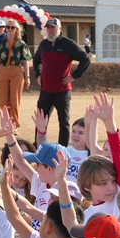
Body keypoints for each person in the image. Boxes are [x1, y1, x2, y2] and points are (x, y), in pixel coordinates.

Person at [33, 17, 90, 146]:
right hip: (45, 91)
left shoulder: (68, 44)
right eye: (48, 28)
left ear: (59, 29)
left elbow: (85, 59)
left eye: (53, 27)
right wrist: (38, 75)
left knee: (64, 122)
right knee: (41, 121)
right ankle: (38, 146)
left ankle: (63, 149)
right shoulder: (44, 45)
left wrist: (74, 75)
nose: (51, 30)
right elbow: (36, 61)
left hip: (62, 91)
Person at [0, 20, 31, 127]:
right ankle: (6, 122)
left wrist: (27, 77)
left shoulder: (21, 44)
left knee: (14, 99)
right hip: (3, 70)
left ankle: (13, 125)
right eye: (8, 27)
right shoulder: (0, 42)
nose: (10, 29)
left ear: (16, 29)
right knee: (2, 101)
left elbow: (25, 61)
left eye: (12, 27)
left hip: (16, 71)